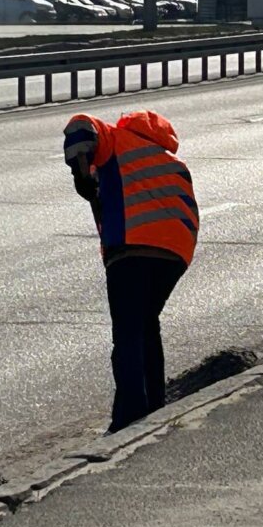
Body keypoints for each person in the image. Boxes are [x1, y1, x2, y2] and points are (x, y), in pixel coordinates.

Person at [63, 110, 199, 434]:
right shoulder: (171, 161)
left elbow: (80, 125)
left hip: (132, 246)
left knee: (127, 334)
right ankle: (154, 409)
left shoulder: (116, 141)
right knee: (146, 326)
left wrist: (81, 174)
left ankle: (129, 418)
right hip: (174, 253)